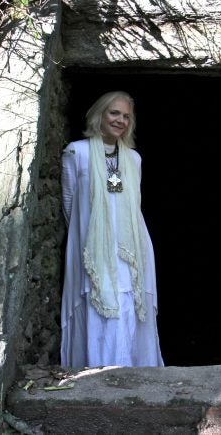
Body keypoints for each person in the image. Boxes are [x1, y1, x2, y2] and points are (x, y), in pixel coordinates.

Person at [60, 91, 164, 368]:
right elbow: (69, 201)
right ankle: (97, 368)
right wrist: (89, 238)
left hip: (130, 247)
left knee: (128, 300)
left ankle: (130, 367)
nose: (120, 120)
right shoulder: (76, 152)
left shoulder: (132, 158)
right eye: (114, 113)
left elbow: (128, 203)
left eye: (126, 116)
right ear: (100, 115)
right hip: (91, 248)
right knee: (99, 298)